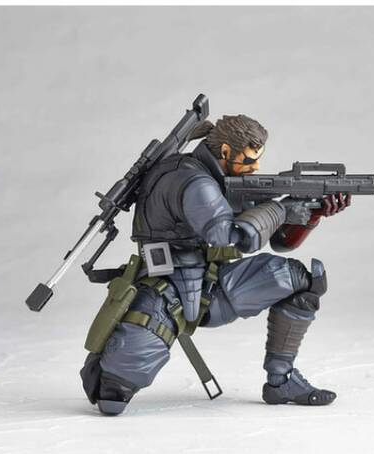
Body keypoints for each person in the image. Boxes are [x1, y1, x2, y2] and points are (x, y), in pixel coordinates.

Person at [80, 114, 351, 415]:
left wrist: (311, 214)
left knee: (302, 280)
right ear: (225, 151)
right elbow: (228, 236)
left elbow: (280, 242)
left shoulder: (214, 177)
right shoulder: (193, 180)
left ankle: (281, 382)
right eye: (249, 160)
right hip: (165, 293)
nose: (255, 168)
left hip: (211, 287)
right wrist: (281, 210)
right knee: (112, 394)